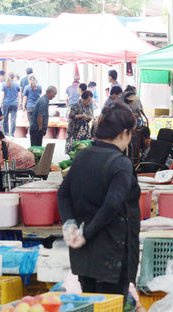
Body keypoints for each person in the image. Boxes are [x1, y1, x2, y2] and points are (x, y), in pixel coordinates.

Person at [58, 102, 140, 297]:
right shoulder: (121, 164)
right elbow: (112, 204)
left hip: (83, 256)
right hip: (112, 256)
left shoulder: (82, 156)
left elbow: (62, 194)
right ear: (124, 133)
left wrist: (71, 225)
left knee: (90, 311)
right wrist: (86, 234)